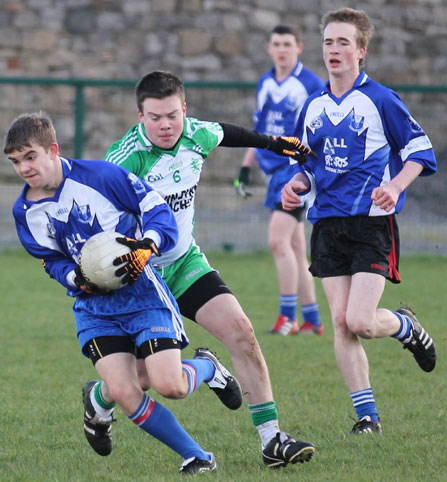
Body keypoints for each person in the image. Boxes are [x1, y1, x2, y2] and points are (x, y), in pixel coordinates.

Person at [86, 70, 316, 468]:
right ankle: (99, 398)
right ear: (140, 116)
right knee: (145, 381)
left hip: (183, 263)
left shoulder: (195, 133)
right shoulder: (124, 159)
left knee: (241, 331)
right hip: (139, 281)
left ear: (184, 110)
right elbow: (96, 221)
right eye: (155, 117)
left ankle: (272, 440)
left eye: (172, 115)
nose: (166, 125)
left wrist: (275, 144)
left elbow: (229, 133)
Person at [5, 111, 246, 474]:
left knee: (171, 385)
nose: (24, 168)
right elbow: (50, 259)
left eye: (30, 156)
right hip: (94, 307)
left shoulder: (101, 176)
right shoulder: (25, 212)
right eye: (15, 161)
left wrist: (147, 246)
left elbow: (155, 208)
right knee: (126, 391)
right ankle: (197, 456)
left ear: (52, 150)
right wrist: (75, 279)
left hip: (142, 294)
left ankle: (207, 368)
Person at [281, 8, 437, 434]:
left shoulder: (381, 99)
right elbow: (305, 165)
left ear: (361, 50)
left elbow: (421, 153)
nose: (334, 50)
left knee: (361, 322)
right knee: (340, 324)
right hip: (327, 225)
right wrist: (294, 183)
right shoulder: (312, 106)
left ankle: (405, 325)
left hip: (372, 221)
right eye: (329, 42)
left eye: (343, 42)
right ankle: (368, 417)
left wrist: (397, 187)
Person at [235, 24, 325, 336]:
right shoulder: (265, 82)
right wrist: (246, 167)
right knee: (296, 247)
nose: (282, 49)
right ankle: (312, 319)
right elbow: (257, 131)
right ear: (269, 48)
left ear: (299, 47)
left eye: (288, 43)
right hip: (273, 173)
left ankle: (287, 317)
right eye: (277, 43)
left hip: (295, 171)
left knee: (277, 240)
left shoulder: (310, 84)